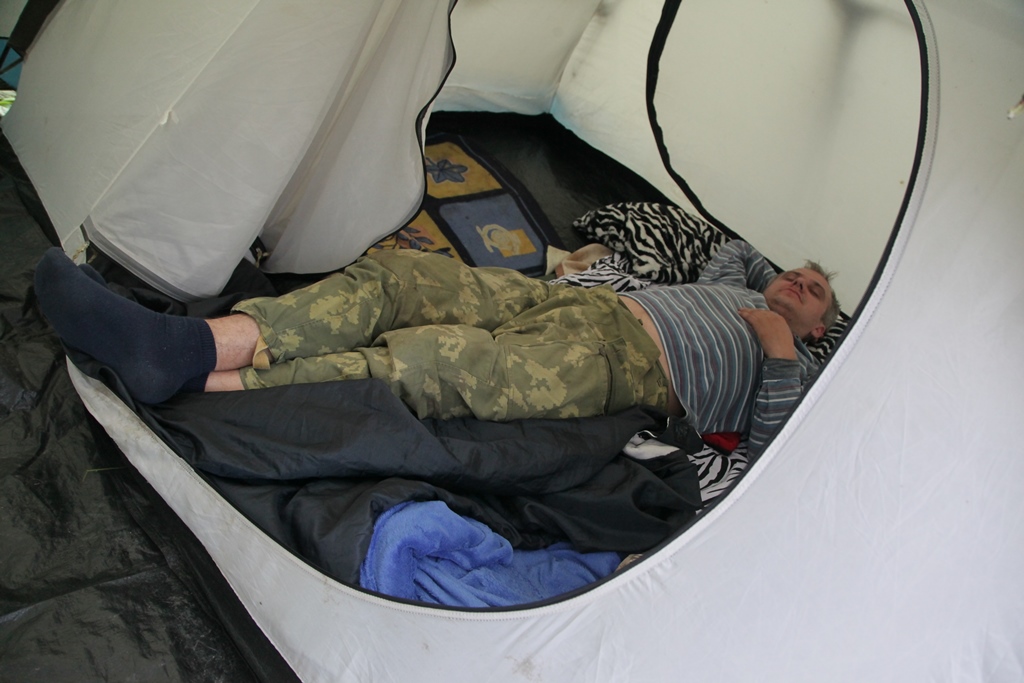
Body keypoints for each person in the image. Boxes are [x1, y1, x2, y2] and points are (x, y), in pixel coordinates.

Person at [33, 239, 838, 453]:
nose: (800, 281)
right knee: (402, 277)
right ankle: (190, 344)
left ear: (823, 331)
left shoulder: (801, 371)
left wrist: (782, 346)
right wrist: (773, 288)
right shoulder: (733, 286)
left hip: (626, 367)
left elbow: (774, 449)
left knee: (427, 361)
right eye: (799, 272)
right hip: (578, 301)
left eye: (816, 291)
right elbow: (734, 247)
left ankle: (199, 383)